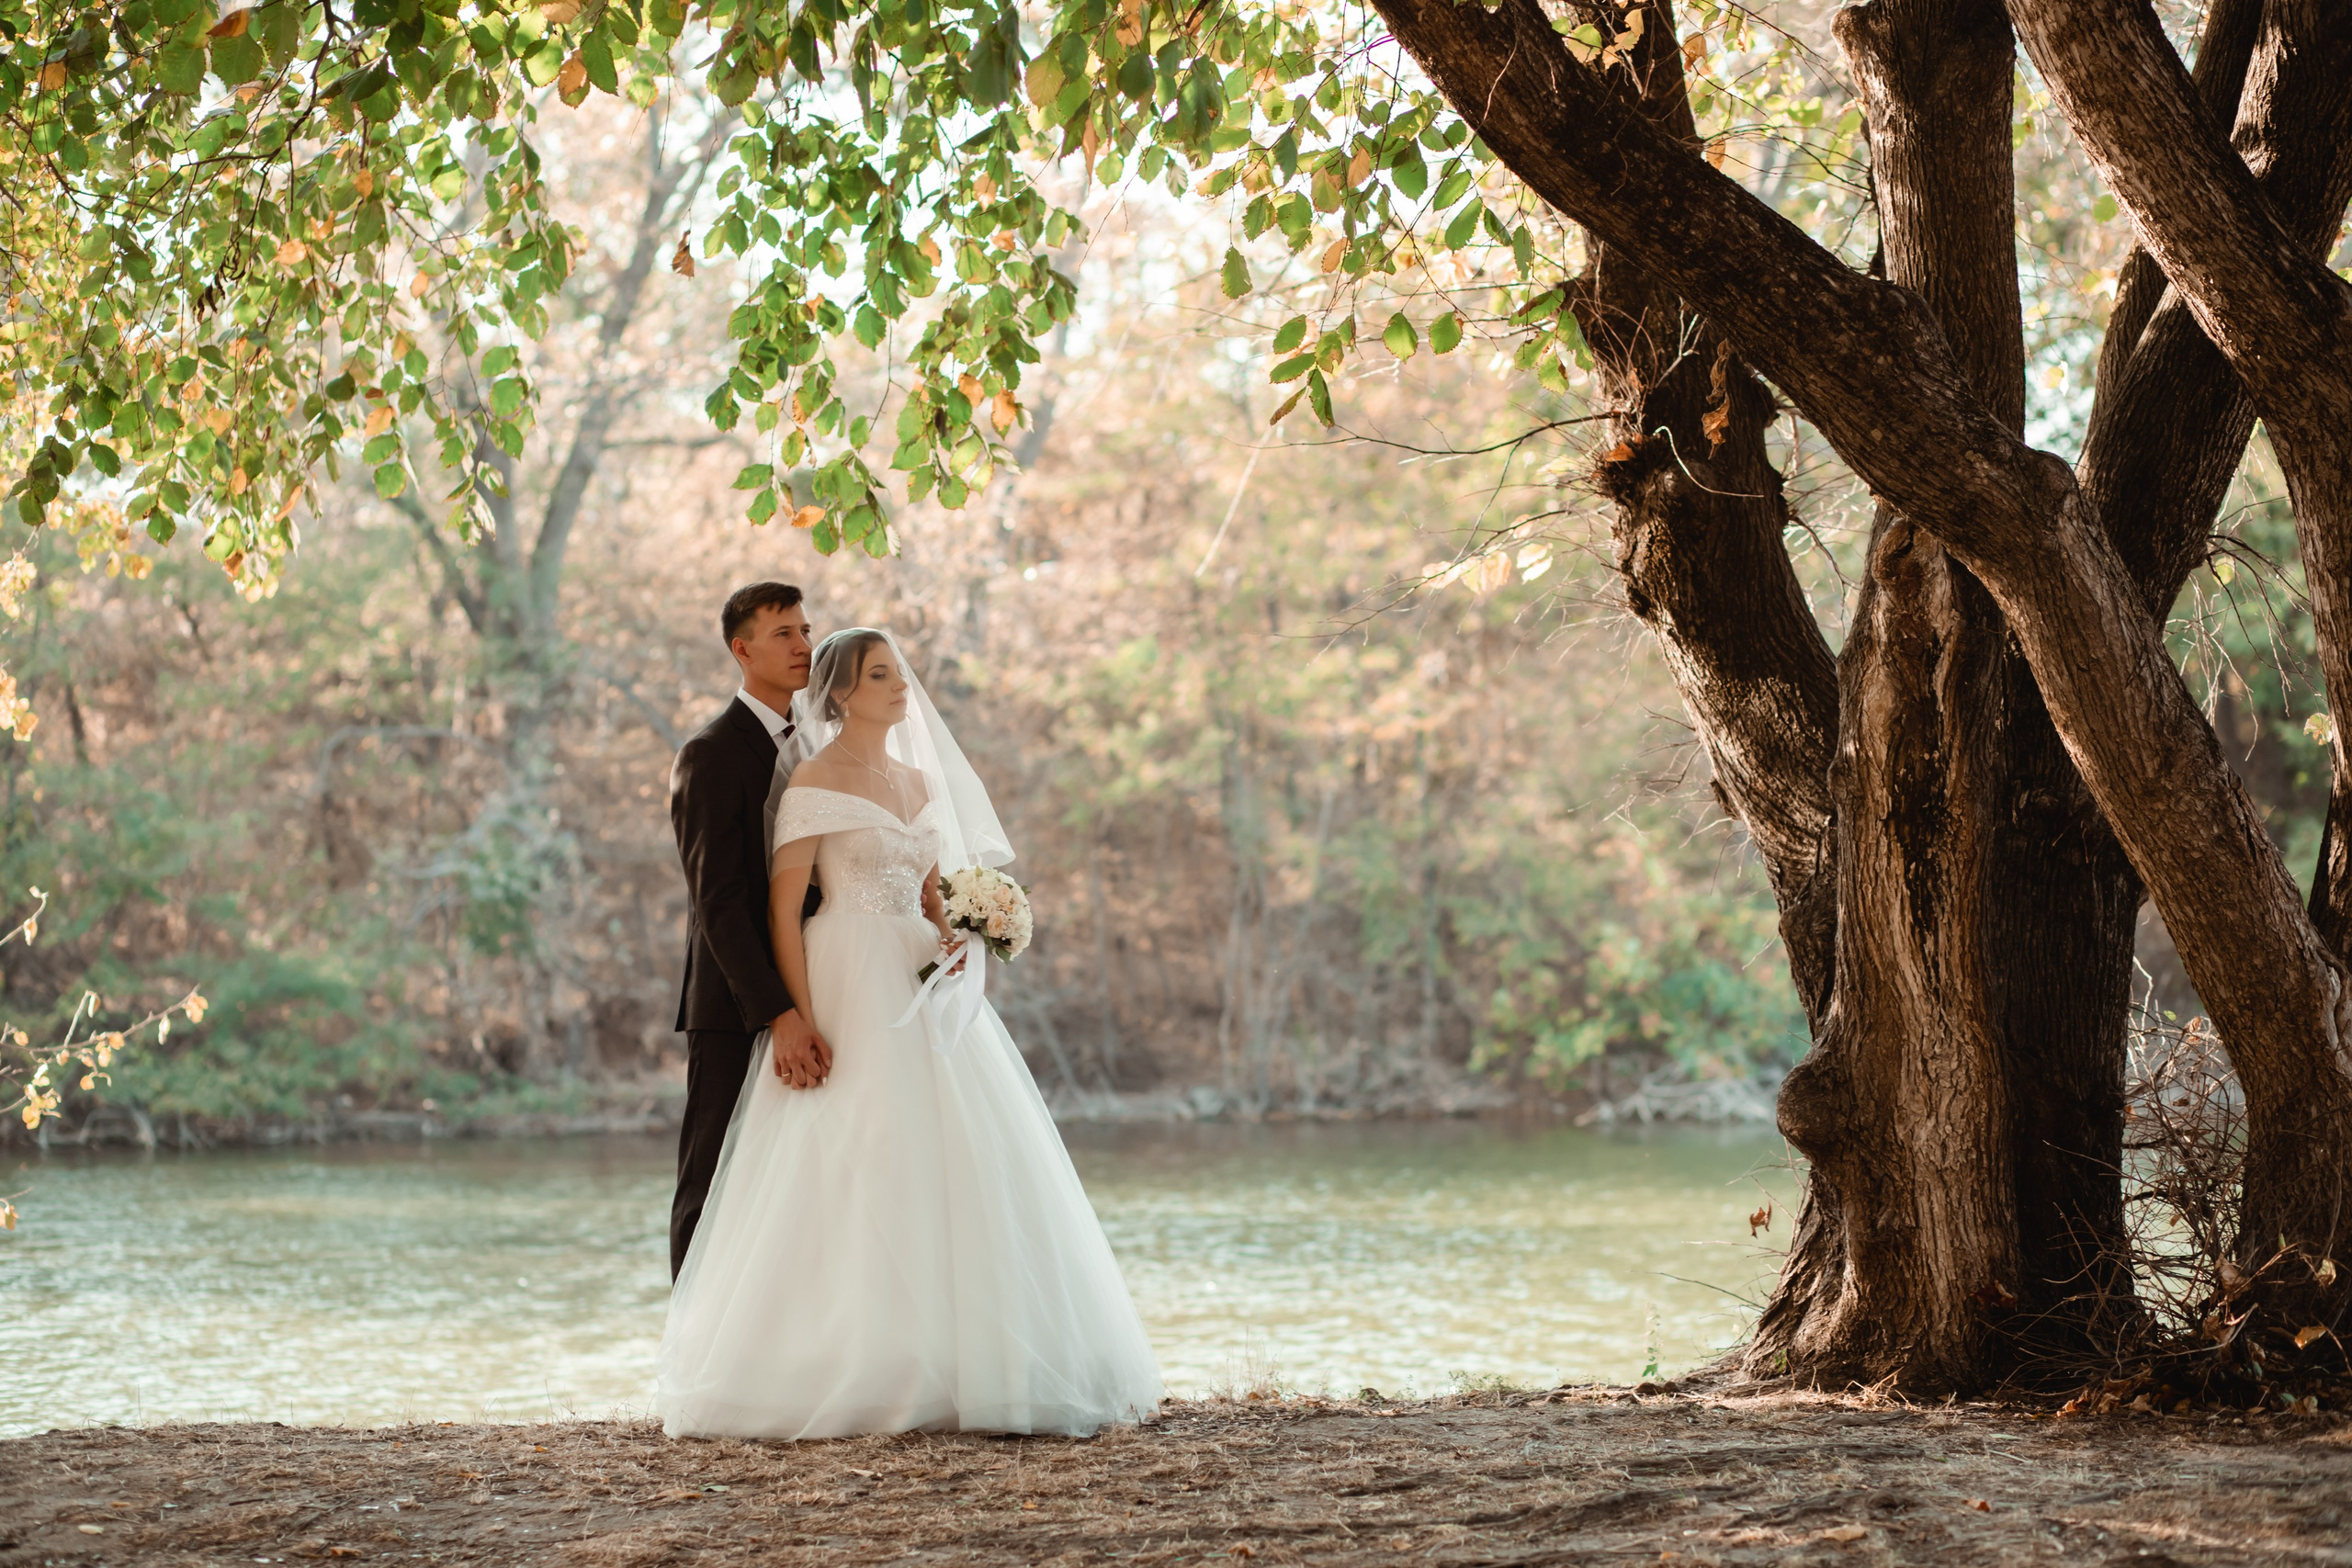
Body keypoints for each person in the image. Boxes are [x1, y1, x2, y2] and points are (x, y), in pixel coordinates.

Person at [655, 627, 1162, 1439]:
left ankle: (964, 1360)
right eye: (880, 675)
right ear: (842, 693)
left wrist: (959, 935)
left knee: (957, 1153)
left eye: (899, 673)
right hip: (846, 972)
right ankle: (843, 1361)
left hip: (919, 979)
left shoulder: (921, 780)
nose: (901, 687)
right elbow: (784, 912)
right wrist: (797, 1016)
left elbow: (929, 893)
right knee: (858, 1148)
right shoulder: (814, 781)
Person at [664, 581, 829, 1280]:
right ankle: (689, 1337)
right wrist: (777, 1013)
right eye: (783, 633)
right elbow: (719, 902)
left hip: (822, 988)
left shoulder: (823, 745)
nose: (803, 645)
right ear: (743, 649)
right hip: (737, 1007)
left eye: (806, 630)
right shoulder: (710, 753)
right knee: (712, 1180)